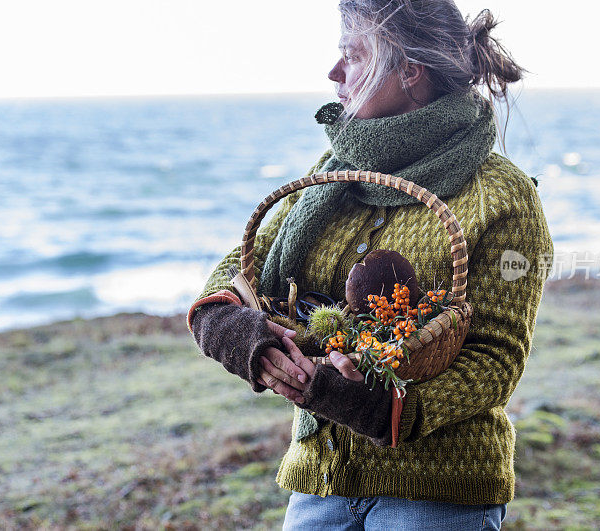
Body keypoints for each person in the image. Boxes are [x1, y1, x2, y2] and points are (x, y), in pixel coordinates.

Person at [188, 1, 553, 529]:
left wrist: (381, 410)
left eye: (352, 55)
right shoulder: (331, 176)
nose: (334, 73)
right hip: (321, 482)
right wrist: (230, 326)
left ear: (409, 71)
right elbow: (243, 264)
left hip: (438, 492)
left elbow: (497, 359)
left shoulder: (503, 196)